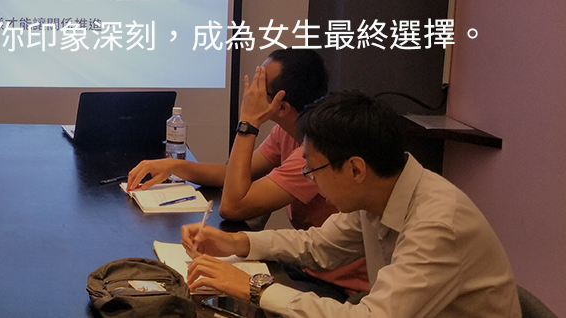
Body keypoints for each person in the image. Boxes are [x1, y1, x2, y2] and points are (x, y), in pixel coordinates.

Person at [182, 91, 521, 318]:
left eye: (312, 169)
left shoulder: (438, 226)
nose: (309, 179)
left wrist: (253, 286)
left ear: (355, 169)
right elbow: (317, 246)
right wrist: (236, 242)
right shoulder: (378, 193)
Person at [128, 49, 367, 299]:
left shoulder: (313, 154)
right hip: (307, 267)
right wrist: (174, 166)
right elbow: (234, 175)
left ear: (281, 106)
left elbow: (232, 206)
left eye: (260, 86)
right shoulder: (286, 132)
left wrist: (248, 122)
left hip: (336, 287)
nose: (252, 91)